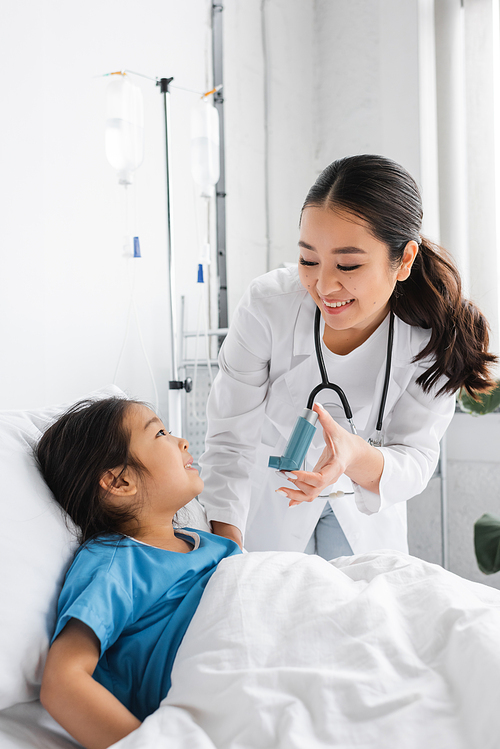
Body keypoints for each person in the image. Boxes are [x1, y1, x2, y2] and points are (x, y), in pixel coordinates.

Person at [199, 154, 497, 559]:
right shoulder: (268, 307)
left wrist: (355, 456)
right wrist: (227, 551)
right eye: (308, 259)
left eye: (348, 264)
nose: (323, 285)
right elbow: (229, 441)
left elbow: (415, 458)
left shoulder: (433, 336)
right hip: (267, 507)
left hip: (363, 516)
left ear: (404, 260)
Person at [35, 397, 241, 749]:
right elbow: (62, 681)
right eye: (161, 432)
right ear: (119, 482)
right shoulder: (117, 563)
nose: (182, 442)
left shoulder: (211, 544)